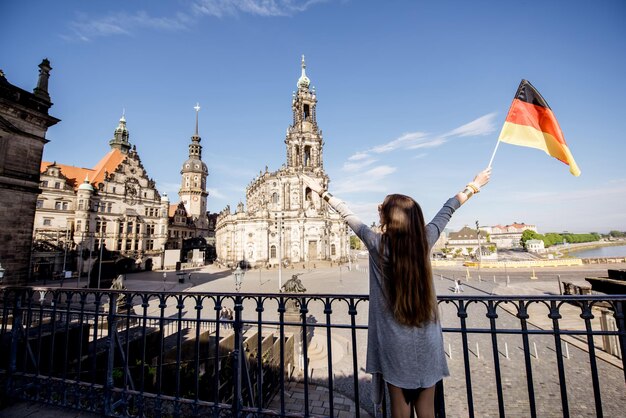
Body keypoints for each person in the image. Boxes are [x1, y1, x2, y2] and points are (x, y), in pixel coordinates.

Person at [301, 168, 491, 418]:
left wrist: (322, 192)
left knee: (399, 410)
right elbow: (448, 208)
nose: (379, 207)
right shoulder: (426, 238)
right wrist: (474, 185)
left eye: (382, 207)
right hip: (428, 338)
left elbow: (347, 213)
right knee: (427, 410)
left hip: (393, 341)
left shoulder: (375, 242)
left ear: (387, 217)